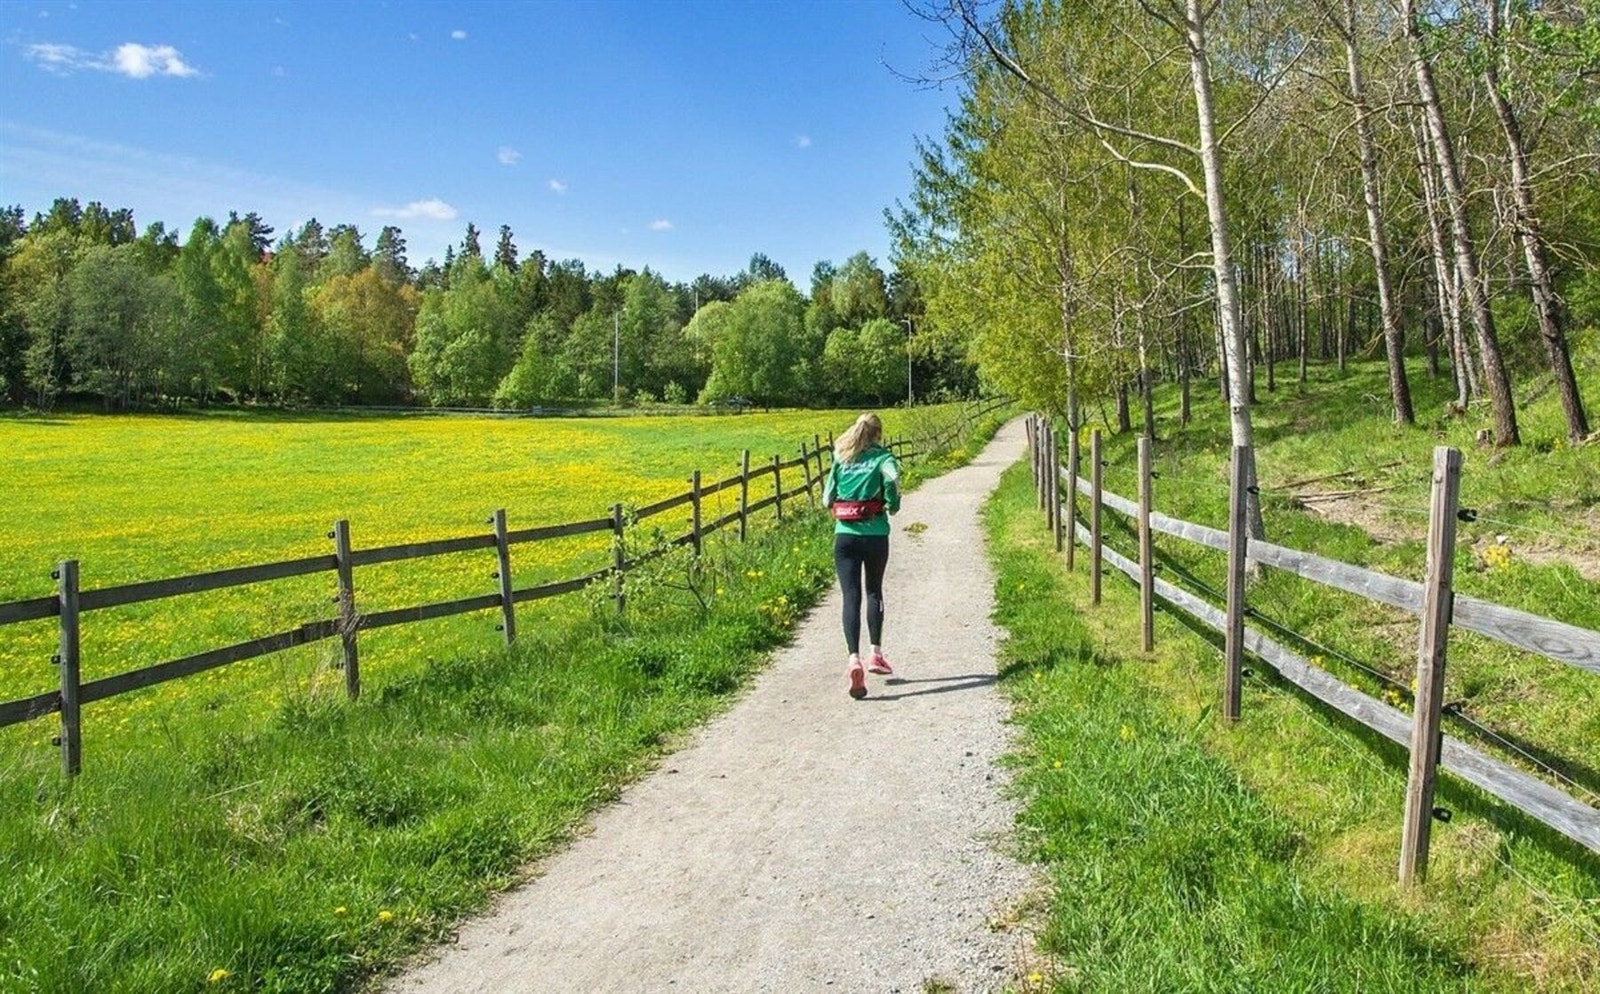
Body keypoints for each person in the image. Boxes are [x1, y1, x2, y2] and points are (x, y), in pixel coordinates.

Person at [821, 412, 901, 699]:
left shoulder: (842, 458)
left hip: (845, 536)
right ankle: (875, 654)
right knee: (874, 591)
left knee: (850, 597)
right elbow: (892, 478)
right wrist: (892, 502)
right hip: (875, 533)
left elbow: (826, 498)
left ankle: (853, 658)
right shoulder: (883, 458)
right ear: (878, 434)